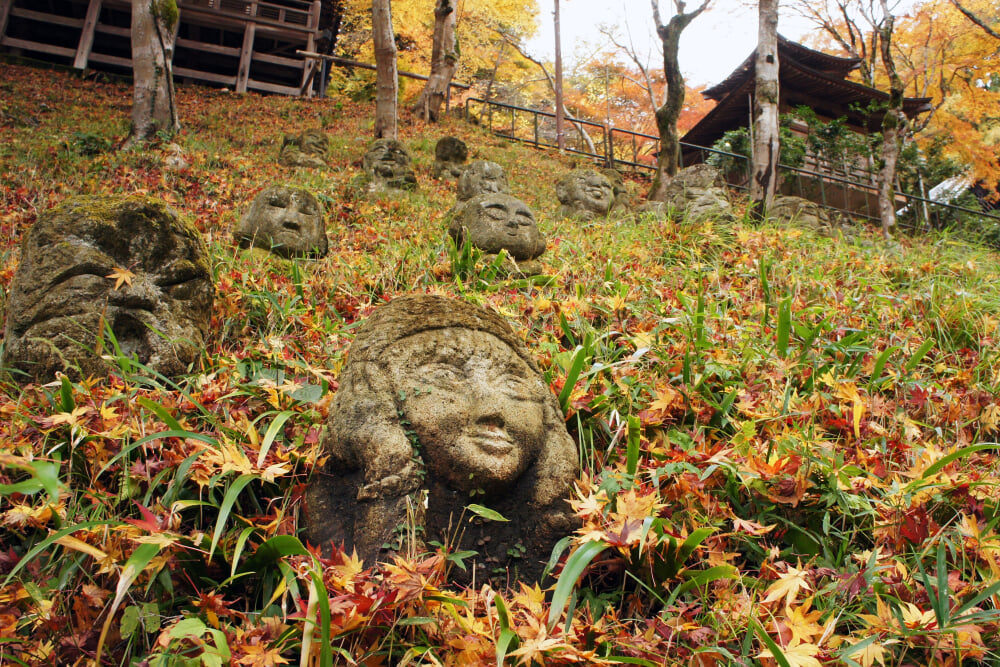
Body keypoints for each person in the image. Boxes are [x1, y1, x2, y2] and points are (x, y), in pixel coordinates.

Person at [305, 294, 577, 583]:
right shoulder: (333, 509)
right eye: (445, 376)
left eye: (511, 383)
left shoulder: (569, 539)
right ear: (377, 395)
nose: (492, 408)